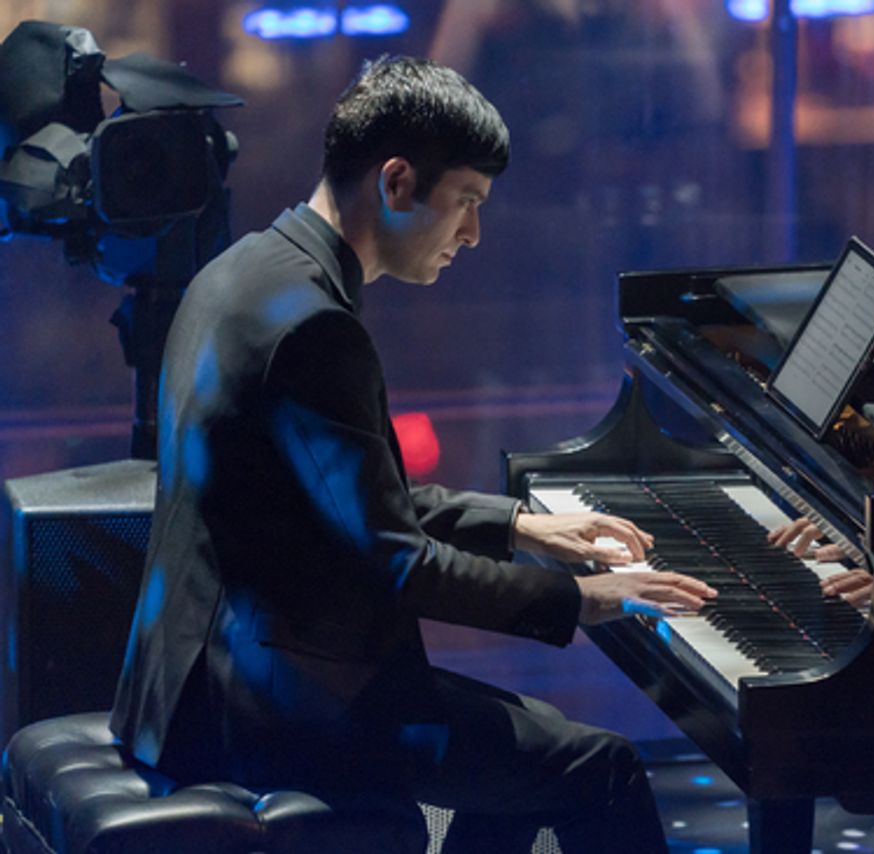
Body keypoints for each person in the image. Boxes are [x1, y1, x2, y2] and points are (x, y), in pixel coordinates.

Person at [109, 55, 717, 853]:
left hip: (196, 683)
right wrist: (590, 599)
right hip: (265, 707)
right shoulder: (316, 328)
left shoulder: (243, 273)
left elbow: (342, 499)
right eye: (465, 203)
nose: (471, 234)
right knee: (601, 767)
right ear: (396, 182)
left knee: (530, 746)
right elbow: (399, 565)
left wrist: (526, 528)